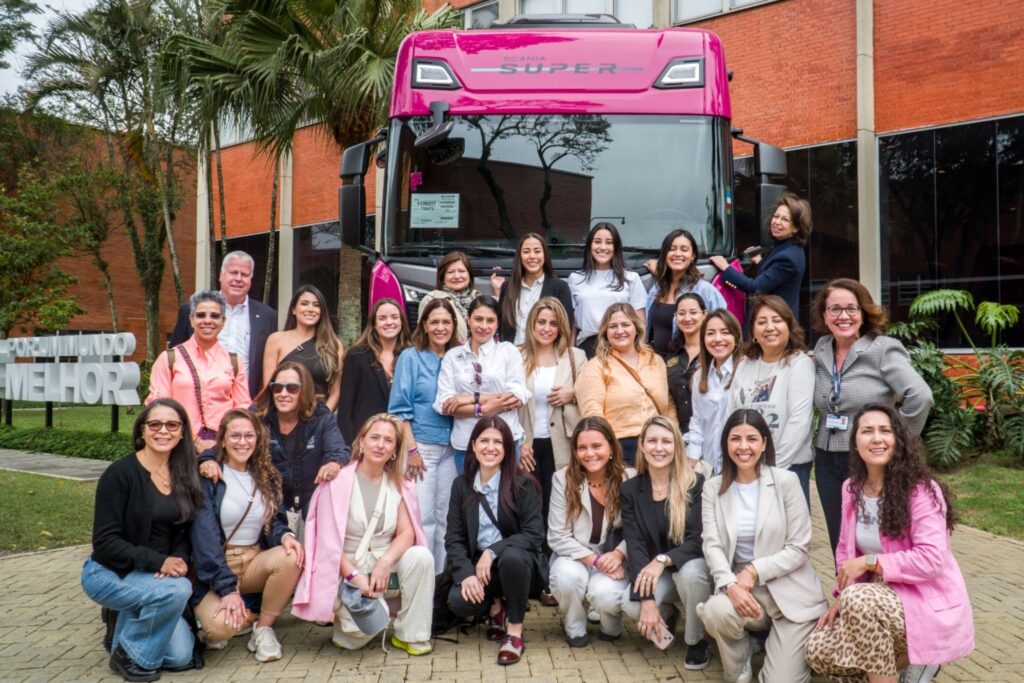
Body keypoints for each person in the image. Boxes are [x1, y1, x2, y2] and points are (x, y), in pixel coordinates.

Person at [805, 405, 974, 683]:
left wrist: (872, 563)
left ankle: (906, 665)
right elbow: (846, 553)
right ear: (855, 442)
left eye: (885, 431)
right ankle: (909, 664)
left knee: (859, 602)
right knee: (819, 650)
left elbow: (931, 559)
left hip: (923, 596)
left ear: (898, 439)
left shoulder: (921, 490)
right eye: (867, 431)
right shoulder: (851, 488)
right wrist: (841, 598)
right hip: (875, 599)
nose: (876, 438)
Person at [698, 409, 828, 683]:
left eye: (752, 439)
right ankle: (742, 655)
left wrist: (754, 570)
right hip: (744, 590)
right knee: (716, 611)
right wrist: (729, 585)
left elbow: (799, 546)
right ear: (726, 444)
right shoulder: (712, 488)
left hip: (789, 591)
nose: (743, 447)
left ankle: (775, 646)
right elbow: (712, 545)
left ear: (764, 443)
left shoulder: (786, 482)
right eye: (735, 439)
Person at [292, 413, 435, 655]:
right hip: (347, 574)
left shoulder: (399, 484)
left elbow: (406, 533)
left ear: (394, 450)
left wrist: (385, 562)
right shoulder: (335, 482)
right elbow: (328, 545)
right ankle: (353, 624)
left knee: (421, 557)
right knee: (360, 635)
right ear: (361, 442)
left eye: (388, 441)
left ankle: (411, 634)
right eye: (375, 437)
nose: (380, 445)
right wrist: (356, 578)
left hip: (383, 573)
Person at [81, 399, 204, 680]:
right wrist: (159, 561)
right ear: (142, 431)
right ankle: (124, 656)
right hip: (110, 572)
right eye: (155, 424)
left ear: (182, 432)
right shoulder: (120, 474)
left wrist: (178, 561)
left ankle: (123, 627)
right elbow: (105, 542)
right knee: (177, 591)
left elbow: (184, 530)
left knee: (179, 656)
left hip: (157, 577)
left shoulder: (183, 474)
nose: (163, 431)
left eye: (172, 424)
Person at [811, 278, 933, 555]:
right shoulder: (821, 349)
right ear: (824, 315)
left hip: (869, 461)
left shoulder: (882, 349)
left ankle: (884, 596)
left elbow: (921, 396)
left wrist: (895, 441)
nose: (844, 316)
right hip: (827, 460)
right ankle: (848, 594)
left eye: (851, 308)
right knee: (840, 538)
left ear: (864, 312)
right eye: (835, 309)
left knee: (876, 539)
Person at [190, 408, 304, 662]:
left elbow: (273, 520)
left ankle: (263, 628)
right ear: (222, 439)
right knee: (222, 628)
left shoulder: (266, 475)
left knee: (291, 555)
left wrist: (285, 535)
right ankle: (214, 619)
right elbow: (205, 538)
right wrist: (227, 589)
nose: (243, 442)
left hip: (253, 559)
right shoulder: (209, 476)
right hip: (217, 565)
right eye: (235, 436)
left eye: (249, 436)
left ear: (258, 439)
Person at [198, 362, 350, 539]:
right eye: (277, 388)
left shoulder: (321, 416)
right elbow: (226, 443)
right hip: (270, 506)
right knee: (286, 558)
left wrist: (334, 463)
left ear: (305, 390)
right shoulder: (258, 415)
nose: (283, 394)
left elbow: (339, 450)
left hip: (311, 503)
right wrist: (207, 460)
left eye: (292, 388)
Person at [443, 416, 546, 666]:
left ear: (508, 448)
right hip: (482, 570)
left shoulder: (524, 484)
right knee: (458, 601)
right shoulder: (461, 485)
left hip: (520, 566)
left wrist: (492, 551)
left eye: (498, 442)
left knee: (510, 557)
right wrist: (466, 573)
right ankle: (495, 607)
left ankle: (514, 632)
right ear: (474, 446)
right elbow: (454, 538)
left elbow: (534, 534)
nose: (491, 447)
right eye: (484, 441)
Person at [620, 416, 711, 669]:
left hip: (689, 568)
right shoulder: (630, 490)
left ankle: (696, 640)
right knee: (631, 605)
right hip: (655, 572)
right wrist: (647, 602)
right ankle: (669, 613)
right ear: (641, 445)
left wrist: (664, 559)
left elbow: (697, 540)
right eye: (652, 441)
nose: (659, 448)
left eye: (666, 441)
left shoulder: (695, 484)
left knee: (692, 574)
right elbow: (635, 544)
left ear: (677, 447)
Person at [547, 417, 633, 646]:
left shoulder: (629, 479)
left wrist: (618, 555)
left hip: (615, 556)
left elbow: (637, 530)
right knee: (566, 578)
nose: (589, 453)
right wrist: (595, 561)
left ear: (612, 448)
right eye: (582, 447)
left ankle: (610, 622)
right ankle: (574, 624)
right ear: (574, 452)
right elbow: (557, 536)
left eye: (597, 446)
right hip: (576, 555)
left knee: (605, 596)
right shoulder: (562, 480)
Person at [388, 297, 459, 573]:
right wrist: (413, 451)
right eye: (435, 322)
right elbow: (399, 410)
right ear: (425, 326)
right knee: (424, 518)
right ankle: (421, 586)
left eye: (446, 322)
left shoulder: (458, 356)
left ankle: (439, 584)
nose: (441, 327)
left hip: (452, 448)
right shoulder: (410, 357)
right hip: (422, 448)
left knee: (445, 520)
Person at [729, 295, 815, 502]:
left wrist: (772, 470)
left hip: (789, 468)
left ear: (788, 325)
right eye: (761, 322)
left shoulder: (799, 364)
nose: (769, 327)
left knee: (788, 532)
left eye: (777, 320)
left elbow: (799, 422)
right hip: (747, 464)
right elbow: (732, 415)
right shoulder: (744, 365)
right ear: (754, 332)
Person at [434, 295, 530, 474]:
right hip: (466, 442)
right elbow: (445, 403)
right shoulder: (453, 356)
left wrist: (469, 398)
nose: (484, 326)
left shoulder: (508, 351)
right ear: (468, 320)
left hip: (505, 441)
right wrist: (481, 409)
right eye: (478, 319)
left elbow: (517, 396)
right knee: (469, 499)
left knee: (506, 498)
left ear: (497, 323)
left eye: (490, 320)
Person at [149, 289, 251, 452]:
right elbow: (159, 406)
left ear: (223, 321)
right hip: (179, 447)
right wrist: (194, 441)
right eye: (201, 315)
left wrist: (224, 441)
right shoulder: (169, 358)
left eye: (215, 316)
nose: (208, 321)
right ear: (191, 319)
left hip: (224, 448)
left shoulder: (233, 361)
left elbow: (242, 407)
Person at [575, 303, 674, 467]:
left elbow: (668, 403)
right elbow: (593, 413)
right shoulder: (597, 366)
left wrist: (672, 435)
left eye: (626, 324)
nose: (620, 331)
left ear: (636, 327)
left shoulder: (655, 360)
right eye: (613, 326)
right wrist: (608, 448)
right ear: (606, 332)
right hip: (620, 447)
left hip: (657, 445)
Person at [517, 297, 587, 528]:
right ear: (532, 324)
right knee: (528, 506)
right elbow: (506, 403)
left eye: (553, 323)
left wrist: (573, 393)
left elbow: (591, 395)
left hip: (563, 444)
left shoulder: (575, 357)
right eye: (541, 322)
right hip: (526, 445)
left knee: (560, 505)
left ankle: (555, 558)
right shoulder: (517, 355)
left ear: (561, 327)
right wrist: (518, 442)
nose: (547, 329)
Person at [170, 250, 277, 397]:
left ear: (251, 279)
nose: (238, 279)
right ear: (221, 275)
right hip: (198, 397)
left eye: (245, 275)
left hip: (246, 401)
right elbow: (175, 356)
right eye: (233, 272)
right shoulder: (193, 310)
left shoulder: (267, 316)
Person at [709, 193, 812, 324]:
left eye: (785, 219)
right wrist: (761, 261)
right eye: (776, 216)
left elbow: (756, 287)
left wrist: (726, 268)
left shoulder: (788, 257)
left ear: (796, 228)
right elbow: (776, 275)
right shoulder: (787, 247)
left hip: (775, 323)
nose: (777, 222)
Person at [337, 297, 412, 445]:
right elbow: (345, 409)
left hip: (402, 441)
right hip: (365, 441)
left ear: (402, 322)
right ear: (374, 324)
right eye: (382, 318)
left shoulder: (411, 356)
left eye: (394, 317)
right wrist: (348, 446)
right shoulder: (357, 356)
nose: (389, 322)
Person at [568, 222, 647, 358]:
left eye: (609, 242)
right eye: (597, 242)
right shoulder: (575, 279)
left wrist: (640, 355)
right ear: (589, 246)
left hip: (623, 347)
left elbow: (641, 324)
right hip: (587, 349)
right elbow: (573, 326)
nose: (603, 247)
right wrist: (570, 355)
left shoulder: (631, 278)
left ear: (615, 247)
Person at [644, 229, 726, 357]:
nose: (677, 254)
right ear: (665, 254)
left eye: (684, 249)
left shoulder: (705, 290)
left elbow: (724, 328)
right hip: (656, 363)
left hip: (688, 366)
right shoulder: (657, 288)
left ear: (693, 256)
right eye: (672, 249)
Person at [261, 285, 344, 411]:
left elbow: (336, 392)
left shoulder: (333, 345)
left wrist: (323, 419)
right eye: (304, 304)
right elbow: (268, 386)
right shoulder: (276, 340)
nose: (310, 309)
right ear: (294, 309)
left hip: (318, 417)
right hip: (283, 415)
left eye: (316, 305)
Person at [684, 309, 743, 475]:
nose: (718, 339)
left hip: (740, 464)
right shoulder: (699, 376)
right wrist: (693, 461)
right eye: (710, 333)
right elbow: (697, 421)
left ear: (736, 337)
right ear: (703, 339)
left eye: (725, 332)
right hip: (709, 465)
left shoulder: (746, 370)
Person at [491, 232, 575, 344]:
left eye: (537, 251)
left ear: (545, 255)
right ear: (520, 256)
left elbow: (566, 326)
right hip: (511, 355)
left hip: (544, 356)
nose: (532, 256)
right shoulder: (507, 287)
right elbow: (501, 325)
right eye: (526, 252)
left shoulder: (560, 287)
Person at [418, 251, 481, 343]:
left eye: (462, 271)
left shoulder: (478, 298)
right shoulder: (431, 299)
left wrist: (498, 291)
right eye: (450, 272)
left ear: (470, 275)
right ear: (442, 277)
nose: (457, 276)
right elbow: (422, 336)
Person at [666, 293, 707, 433]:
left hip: (710, 431)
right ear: (675, 317)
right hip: (678, 434)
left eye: (693, 312)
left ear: (705, 314)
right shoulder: (671, 355)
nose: (687, 318)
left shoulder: (714, 353)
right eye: (682, 313)